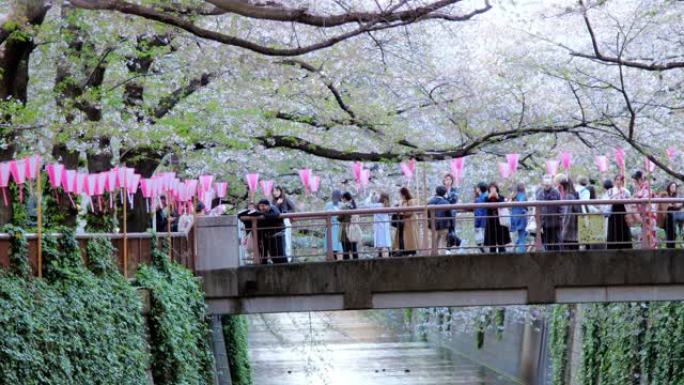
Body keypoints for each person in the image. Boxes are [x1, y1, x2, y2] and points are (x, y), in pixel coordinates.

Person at [237, 200, 286, 264]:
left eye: (263, 206)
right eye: (260, 206)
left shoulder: (272, 208)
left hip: (276, 234)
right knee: (263, 255)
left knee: (278, 255)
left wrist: (261, 214)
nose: (262, 208)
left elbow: (276, 214)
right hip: (262, 235)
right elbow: (240, 216)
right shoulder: (255, 212)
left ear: (268, 205)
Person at [605, 174, 632, 249]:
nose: (618, 182)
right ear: (614, 181)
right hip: (613, 213)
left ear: (623, 181)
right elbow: (606, 203)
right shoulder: (610, 191)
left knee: (624, 231)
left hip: (623, 213)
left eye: (620, 180)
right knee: (613, 231)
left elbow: (629, 203)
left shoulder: (626, 192)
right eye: (617, 179)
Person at [392, 187, 421, 256]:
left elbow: (410, 212)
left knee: (409, 238)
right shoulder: (402, 201)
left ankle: (410, 250)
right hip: (403, 223)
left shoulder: (411, 201)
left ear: (404, 194)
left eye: (401, 194)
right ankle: (403, 250)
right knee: (402, 237)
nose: (400, 196)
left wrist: (401, 212)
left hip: (409, 223)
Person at [632, 170, 657, 249]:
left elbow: (644, 200)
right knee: (647, 235)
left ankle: (651, 252)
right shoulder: (641, 188)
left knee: (649, 236)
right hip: (645, 215)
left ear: (639, 180)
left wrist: (636, 197)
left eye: (635, 180)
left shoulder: (646, 187)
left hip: (649, 215)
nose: (634, 182)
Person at [536, 175, 562, 251]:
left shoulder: (556, 192)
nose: (546, 186)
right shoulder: (540, 193)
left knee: (555, 242)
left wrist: (560, 219)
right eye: (545, 185)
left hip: (555, 222)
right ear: (543, 184)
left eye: (548, 185)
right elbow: (537, 208)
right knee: (547, 242)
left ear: (551, 184)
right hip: (545, 222)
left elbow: (560, 206)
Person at [484, 183, 511, 253]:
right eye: (491, 188)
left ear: (497, 189)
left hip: (500, 221)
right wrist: (489, 196)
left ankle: (503, 255)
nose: (493, 189)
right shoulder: (486, 197)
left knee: (501, 241)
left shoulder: (501, 197)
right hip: (491, 222)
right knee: (492, 243)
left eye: (494, 188)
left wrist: (497, 196)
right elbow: (484, 205)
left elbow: (503, 204)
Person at [272, 186, 296, 260]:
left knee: (287, 238)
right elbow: (273, 211)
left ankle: (288, 258)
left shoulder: (285, 199)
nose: (275, 193)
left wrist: (286, 213)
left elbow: (293, 208)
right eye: (273, 191)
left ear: (280, 191)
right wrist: (278, 204)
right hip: (277, 223)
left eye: (277, 191)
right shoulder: (273, 201)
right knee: (279, 240)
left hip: (285, 220)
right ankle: (281, 257)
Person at [557, 175, 579, 250]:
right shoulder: (573, 194)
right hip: (573, 230)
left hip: (569, 230)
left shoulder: (568, 196)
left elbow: (567, 214)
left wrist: (564, 229)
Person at [427, 185, 451, 255]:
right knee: (442, 244)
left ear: (436, 192)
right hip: (443, 225)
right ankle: (442, 258)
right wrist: (451, 225)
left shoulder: (430, 202)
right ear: (445, 193)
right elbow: (449, 215)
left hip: (432, 226)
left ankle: (433, 257)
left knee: (433, 244)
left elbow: (427, 214)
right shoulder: (446, 202)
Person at [367, 192, 392, 258]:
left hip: (379, 228)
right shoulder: (386, 205)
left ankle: (384, 262)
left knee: (382, 247)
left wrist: (370, 196)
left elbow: (367, 205)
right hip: (385, 228)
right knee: (385, 246)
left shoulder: (378, 205)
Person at [659, 182, 682, 249]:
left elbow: (677, 207)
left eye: (674, 187)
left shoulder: (674, 196)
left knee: (673, 234)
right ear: (669, 187)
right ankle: (670, 249)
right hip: (666, 218)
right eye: (672, 186)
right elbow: (668, 205)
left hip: (672, 218)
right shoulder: (664, 194)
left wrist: (677, 205)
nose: (673, 188)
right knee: (669, 234)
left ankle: (672, 248)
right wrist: (675, 205)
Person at [339, 192, 360, 260]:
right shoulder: (354, 206)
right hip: (353, 229)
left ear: (345, 198)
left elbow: (339, 218)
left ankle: (346, 265)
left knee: (345, 249)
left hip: (345, 229)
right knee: (354, 248)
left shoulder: (344, 207)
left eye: (342, 198)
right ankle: (357, 264)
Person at [442, 173, 461, 249]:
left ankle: (452, 245)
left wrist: (445, 199)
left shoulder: (454, 190)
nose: (447, 181)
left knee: (451, 229)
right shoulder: (441, 189)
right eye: (446, 179)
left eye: (449, 179)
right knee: (444, 230)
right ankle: (448, 247)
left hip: (451, 213)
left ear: (452, 181)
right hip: (443, 213)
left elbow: (454, 200)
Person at [324, 190, 343, 258]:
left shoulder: (341, 205)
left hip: (337, 227)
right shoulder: (328, 205)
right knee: (331, 247)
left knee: (338, 248)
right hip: (331, 227)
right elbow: (325, 217)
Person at [510, 183, 528, 253]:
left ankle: (516, 246)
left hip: (515, 217)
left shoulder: (515, 196)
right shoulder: (522, 195)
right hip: (521, 217)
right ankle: (521, 252)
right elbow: (521, 202)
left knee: (522, 234)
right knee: (522, 235)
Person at [473, 182, 489, 252]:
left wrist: (476, 225)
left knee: (479, 242)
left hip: (482, 223)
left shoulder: (479, 199)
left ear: (479, 189)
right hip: (489, 222)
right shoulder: (488, 196)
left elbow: (478, 214)